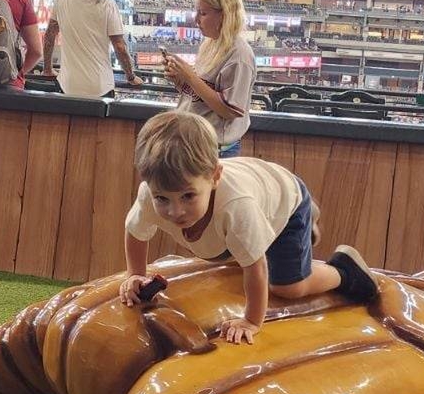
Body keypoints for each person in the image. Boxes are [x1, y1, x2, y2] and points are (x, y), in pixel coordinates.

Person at [119, 109, 377, 345]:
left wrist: (251, 321)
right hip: (258, 188)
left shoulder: (236, 206)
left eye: (188, 196)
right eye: (162, 198)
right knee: (237, 253)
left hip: (284, 200)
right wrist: (135, 274)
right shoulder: (149, 195)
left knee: (287, 287)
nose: (175, 211)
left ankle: (345, 270)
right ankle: (295, 231)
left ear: (214, 177)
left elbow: (257, 267)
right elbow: (136, 232)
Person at [163, 0, 255, 155]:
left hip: (215, 149)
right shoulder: (210, 43)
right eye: (197, 12)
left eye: (203, 13)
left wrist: (190, 76)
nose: (196, 19)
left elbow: (229, 111)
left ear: (224, 15)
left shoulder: (240, 54)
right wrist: (180, 80)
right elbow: (201, 96)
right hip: (192, 142)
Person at [42, 0, 142, 98]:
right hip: (100, 86)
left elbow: (49, 36)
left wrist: (47, 69)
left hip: (68, 84)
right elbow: (119, 47)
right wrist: (130, 76)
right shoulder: (107, 4)